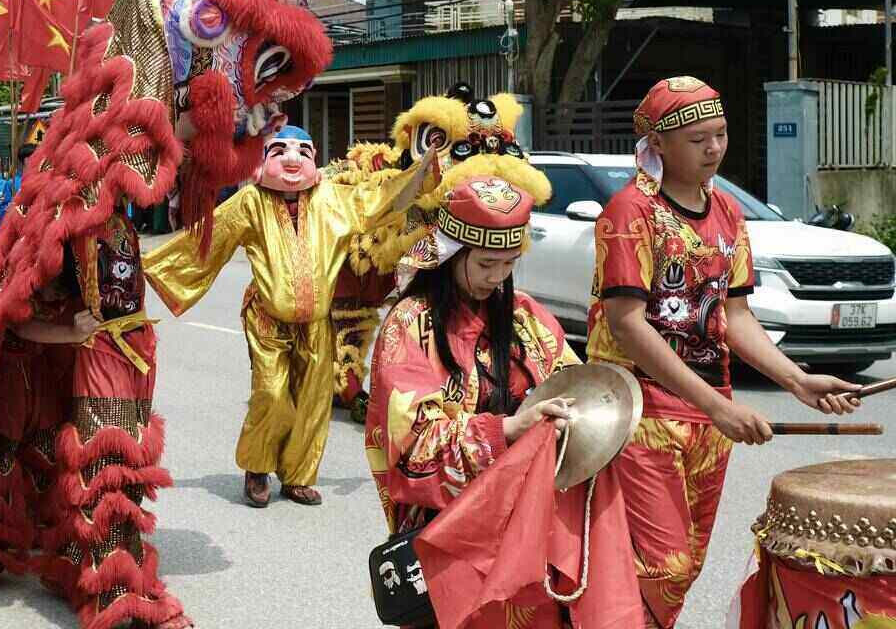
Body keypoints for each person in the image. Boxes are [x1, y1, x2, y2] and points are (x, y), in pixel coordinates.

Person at [586, 76, 860, 627]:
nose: (714, 148)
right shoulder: (630, 213)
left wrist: (797, 380)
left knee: (686, 566)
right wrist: (717, 406)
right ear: (658, 143)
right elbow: (628, 325)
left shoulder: (729, 213)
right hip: (640, 410)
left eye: (721, 134)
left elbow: (733, 315)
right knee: (663, 565)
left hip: (709, 414)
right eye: (698, 139)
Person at [369, 164, 633, 628]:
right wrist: (510, 430)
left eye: (509, 263)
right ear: (451, 254)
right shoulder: (410, 324)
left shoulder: (527, 317)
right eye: (486, 264)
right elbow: (410, 444)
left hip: (530, 522)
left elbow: (571, 384)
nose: (499, 276)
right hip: (457, 528)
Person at [145, 126, 432, 508]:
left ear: (315, 159)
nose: (293, 159)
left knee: (313, 403)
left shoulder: (333, 198)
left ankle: (297, 476)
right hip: (267, 319)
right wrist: (149, 267)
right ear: (264, 161)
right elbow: (209, 241)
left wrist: (425, 167)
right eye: (280, 150)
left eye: (302, 152)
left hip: (316, 323)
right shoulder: (251, 202)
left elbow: (382, 198)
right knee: (272, 394)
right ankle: (257, 468)